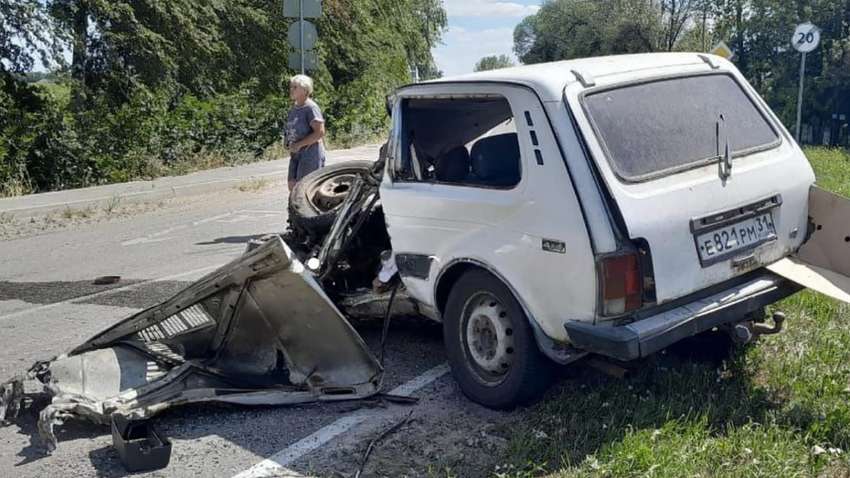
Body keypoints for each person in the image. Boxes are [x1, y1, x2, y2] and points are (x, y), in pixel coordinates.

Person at [285, 74, 326, 191]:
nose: (291, 90)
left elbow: (320, 132)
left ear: (305, 90)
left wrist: (299, 144)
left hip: (310, 154)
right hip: (295, 153)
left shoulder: (311, 108)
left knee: (304, 189)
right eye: (291, 87)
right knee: (292, 186)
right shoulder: (295, 108)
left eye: (295, 87)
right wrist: (288, 142)